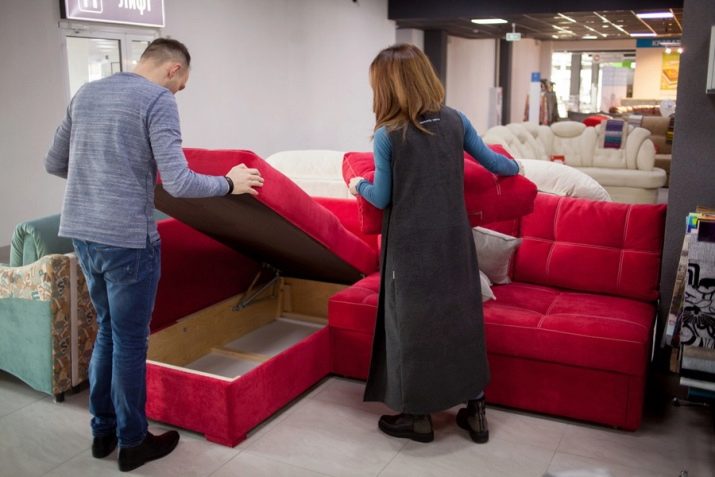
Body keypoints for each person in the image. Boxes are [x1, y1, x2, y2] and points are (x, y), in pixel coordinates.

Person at [44, 38, 264, 472]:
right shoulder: (157, 99)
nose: (180, 92)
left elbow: (54, 162)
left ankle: (103, 432)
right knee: (129, 341)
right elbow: (179, 182)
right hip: (127, 239)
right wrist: (229, 183)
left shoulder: (87, 93)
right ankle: (133, 442)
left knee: (107, 331)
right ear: (173, 69)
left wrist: (101, 177)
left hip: (83, 234)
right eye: (182, 84)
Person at [348, 44, 520, 444]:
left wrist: (357, 185)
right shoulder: (456, 120)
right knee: (462, 323)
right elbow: (495, 163)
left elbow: (382, 197)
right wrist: (516, 167)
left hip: (410, 251)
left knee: (412, 329)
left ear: (388, 87)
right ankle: (476, 413)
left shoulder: (388, 135)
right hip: (454, 244)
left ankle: (418, 418)